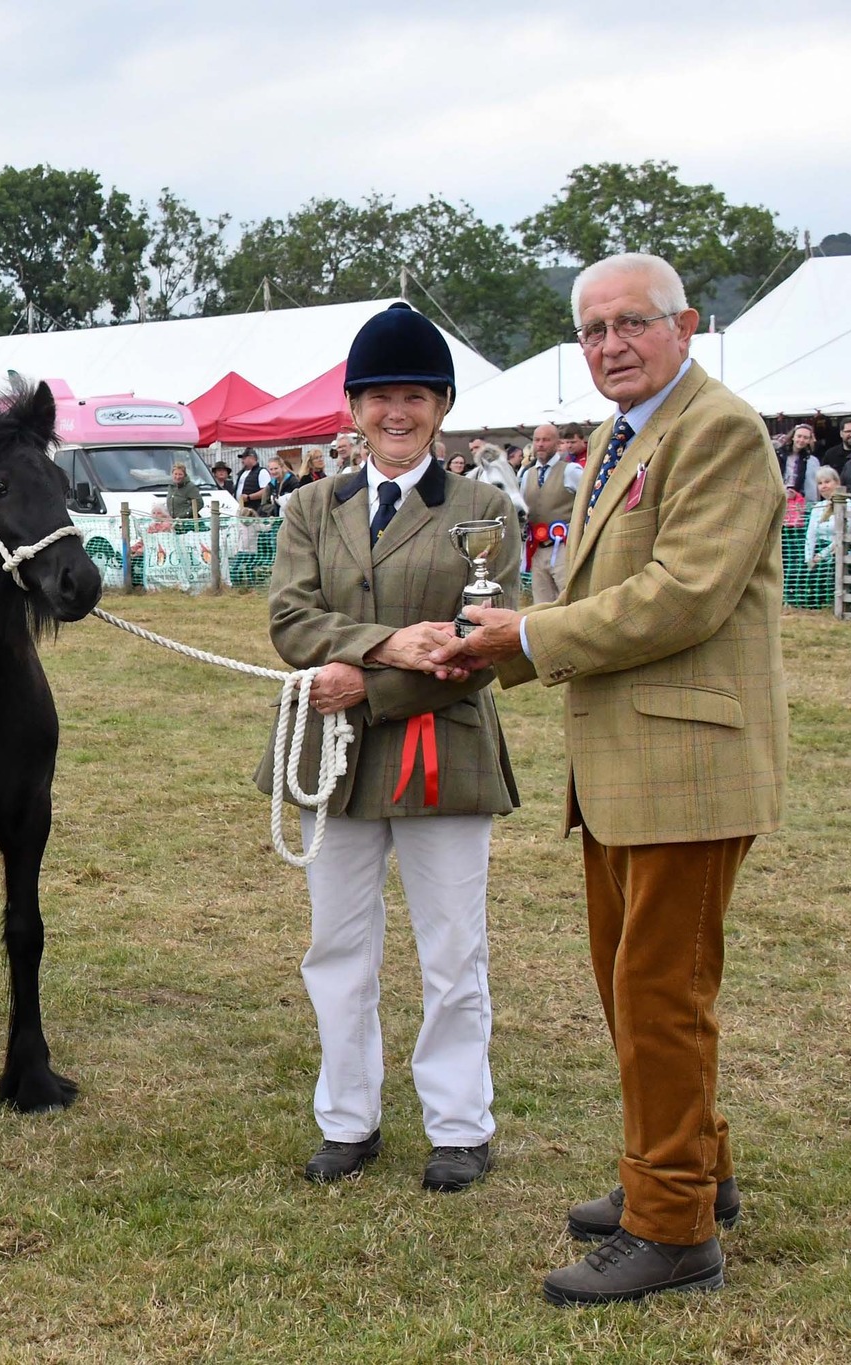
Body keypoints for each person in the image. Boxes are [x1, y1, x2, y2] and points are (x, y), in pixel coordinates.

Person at [431, 252, 786, 1306]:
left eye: (630, 323)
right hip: (628, 766)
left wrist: (527, 637)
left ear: (685, 328)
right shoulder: (619, 436)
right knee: (634, 987)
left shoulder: (716, 430)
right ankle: (686, 1171)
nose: (609, 346)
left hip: (688, 768)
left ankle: (672, 1231)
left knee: (658, 993)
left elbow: (680, 596)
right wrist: (512, 636)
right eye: (590, 331)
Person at [257, 301, 519, 1199]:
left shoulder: (485, 509)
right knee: (337, 944)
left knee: (451, 948)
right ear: (354, 407)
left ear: (441, 406)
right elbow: (291, 619)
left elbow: (483, 642)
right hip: (330, 754)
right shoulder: (309, 506)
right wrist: (382, 645)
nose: (395, 412)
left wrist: (371, 680)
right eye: (379, 397)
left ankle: (458, 1126)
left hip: (443, 748)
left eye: (413, 396)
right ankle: (347, 1119)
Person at [519, 423, 582, 606]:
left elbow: (590, 502)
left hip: (563, 547)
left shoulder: (571, 471)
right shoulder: (527, 475)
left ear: (557, 443)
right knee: (541, 604)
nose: (540, 444)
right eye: (537, 440)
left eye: (546, 440)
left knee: (569, 599)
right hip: (536, 550)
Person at [781, 425, 822, 504]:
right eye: (799, 436)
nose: (801, 440)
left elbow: (814, 485)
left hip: (803, 502)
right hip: (781, 499)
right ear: (793, 437)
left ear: (809, 440)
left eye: (805, 438)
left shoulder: (812, 460)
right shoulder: (779, 455)